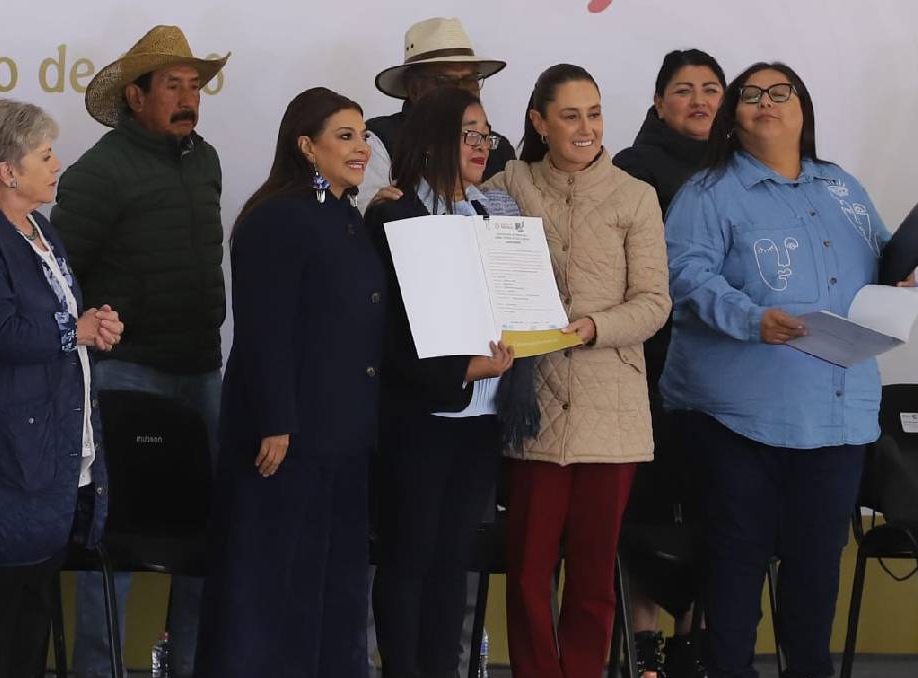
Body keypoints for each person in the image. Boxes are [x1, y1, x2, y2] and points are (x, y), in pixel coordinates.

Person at [660, 62, 902, 677]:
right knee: (735, 567)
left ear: (803, 108)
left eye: (780, 92)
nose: (765, 102)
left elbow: (882, 262)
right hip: (738, 418)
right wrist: (750, 318)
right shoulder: (708, 193)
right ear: (732, 118)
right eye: (750, 95)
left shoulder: (841, 187)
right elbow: (684, 277)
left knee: (816, 572)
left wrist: (899, 289)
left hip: (837, 415)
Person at [50, 25, 228, 677]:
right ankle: (100, 670)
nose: (189, 99)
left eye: (194, 86)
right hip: (126, 377)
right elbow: (63, 275)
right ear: (136, 95)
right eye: (173, 86)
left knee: (207, 531)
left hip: (203, 371)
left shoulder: (204, 160)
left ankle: (191, 664)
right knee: (113, 535)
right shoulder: (99, 171)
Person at [484, 63, 671, 677]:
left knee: (594, 577)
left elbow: (653, 302)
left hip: (609, 410)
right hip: (531, 406)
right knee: (529, 573)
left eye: (594, 113)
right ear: (539, 122)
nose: (586, 127)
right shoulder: (504, 183)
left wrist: (593, 327)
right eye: (569, 115)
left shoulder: (634, 194)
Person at [194, 87, 383, 678]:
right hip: (288, 439)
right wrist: (277, 421)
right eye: (344, 136)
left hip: (342, 437)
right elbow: (263, 331)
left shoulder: (344, 214)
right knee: (270, 589)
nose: (361, 148)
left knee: (332, 591)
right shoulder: (277, 217)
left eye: (363, 136)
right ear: (307, 146)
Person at [0, 99, 123, 678]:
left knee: (31, 622)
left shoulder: (39, 228)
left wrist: (92, 323)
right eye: (45, 155)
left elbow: (58, 318)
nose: (57, 165)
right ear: (8, 169)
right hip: (2, 460)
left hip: (47, 454)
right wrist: (71, 329)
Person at [366, 86, 534, 678]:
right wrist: (461, 368)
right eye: (467, 133)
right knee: (408, 558)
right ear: (432, 140)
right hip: (421, 416)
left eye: (486, 134)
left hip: (483, 416)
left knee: (453, 562)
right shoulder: (395, 212)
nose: (480, 145)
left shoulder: (498, 212)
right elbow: (387, 333)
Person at [613, 47, 725, 678]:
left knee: (715, 508)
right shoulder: (633, 169)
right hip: (649, 366)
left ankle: (694, 645)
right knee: (648, 511)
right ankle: (644, 647)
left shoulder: (741, 168)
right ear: (658, 102)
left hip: (722, 367)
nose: (700, 100)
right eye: (684, 90)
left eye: (712, 89)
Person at [361, 16, 516, 204]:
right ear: (414, 88)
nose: (461, 90)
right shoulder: (379, 138)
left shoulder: (498, 148)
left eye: (469, 79)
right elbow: (368, 210)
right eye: (445, 81)